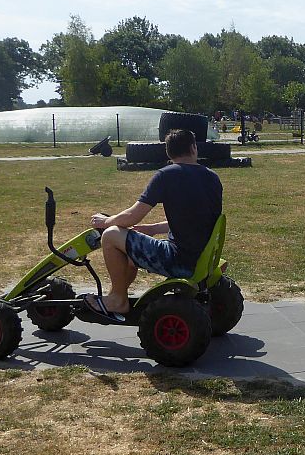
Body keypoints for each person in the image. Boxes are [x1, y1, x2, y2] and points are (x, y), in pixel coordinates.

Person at [84, 129, 222, 320]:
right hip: (202, 259)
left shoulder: (167, 175)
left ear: (168, 152)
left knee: (111, 235)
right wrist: (153, 228)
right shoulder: (212, 177)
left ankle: (118, 300)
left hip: (179, 261)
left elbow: (132, 216)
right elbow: (196, 220)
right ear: (193, 148)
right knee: (130, 254)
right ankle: (118, 293)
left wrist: (106, 222)